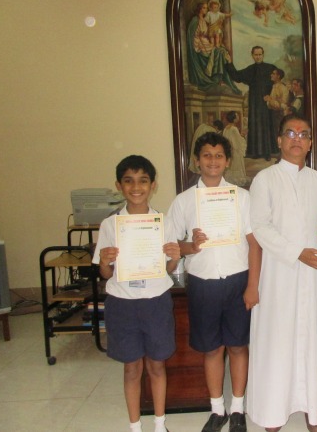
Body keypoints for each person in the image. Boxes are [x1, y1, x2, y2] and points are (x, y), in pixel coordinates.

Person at [247, 113, 317, 432]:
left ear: (310, 142)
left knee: (316, 338)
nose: (297, 139)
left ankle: (313, 406)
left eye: (304, 134)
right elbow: (259, 226)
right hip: (279, 274)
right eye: (290, 133)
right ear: (279, 140)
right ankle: (273, 411)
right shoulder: (264, 180)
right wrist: (297, 253)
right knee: (278, 342)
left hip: (316, 276)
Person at [168, 132, 261, 432]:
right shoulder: (183, 201)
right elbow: (171, 245)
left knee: (238, 346)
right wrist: (191, 245)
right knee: (211, 349)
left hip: (238, 281)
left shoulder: (242, 197)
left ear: (228, 161)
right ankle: (217, 409)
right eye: (206, 155)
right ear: (197, 161)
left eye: (219, 155)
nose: (213, 161)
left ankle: (238, 409)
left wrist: (252, 285)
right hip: (202, 283)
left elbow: (254, 244)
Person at [93, 155, 180, 432]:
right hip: (122, 304)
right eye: (129, 181)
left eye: (143, 181)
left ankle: (159, 424)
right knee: (131, 368)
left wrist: (175, 257)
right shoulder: (110, 225)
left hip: (156, 301)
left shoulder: (163, 222)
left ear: (153, 185)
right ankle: (135, 426)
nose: (136, 187)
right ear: (119, 186)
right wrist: (104, 261)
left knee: (157, 365)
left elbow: (168, 269)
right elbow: (105, 274)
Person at [226, 46, 277, 160]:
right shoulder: (250, 69)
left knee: (266, 125)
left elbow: (278, 82)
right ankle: (256, 152)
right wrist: (229, 63)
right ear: (252, 56)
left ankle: (267, 153)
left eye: (260, 54)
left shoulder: (271, 68)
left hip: (267, 101)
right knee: (255, 124)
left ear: (263, 55)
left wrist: (272, 97)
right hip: (254, 102)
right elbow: (237, 76)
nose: (258, 57)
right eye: (256, 55)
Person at [186, 2, 240, 94]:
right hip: (199, 44)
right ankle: (216, 79)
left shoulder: (204, 20)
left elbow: (210, 31)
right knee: (218, 52)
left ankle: (221, 79)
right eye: (204, 8)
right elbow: (193, 36)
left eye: (206, 8)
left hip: (206, 42)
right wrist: (200, 42)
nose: (206, 10)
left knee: (222, 51)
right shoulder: (195, 20)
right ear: (199, 9)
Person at [223, 111, 250, 187]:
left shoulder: (226, 128)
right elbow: (238, 142)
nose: (238, 117)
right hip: (235, 151)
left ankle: (230, 180)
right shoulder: (234, 129)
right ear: (234, 119)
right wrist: (243, 135)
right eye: (237, 116)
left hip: (229, 150)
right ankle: (237, 180)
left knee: (231, 166)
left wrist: (240, 135)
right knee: (236, 165)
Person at [264, 68, 290, 145]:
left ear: (278, 76)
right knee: (273, 135)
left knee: (279, 133)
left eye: (273, 74)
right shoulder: (274, 86)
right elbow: (272, 104)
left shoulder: (283, 88)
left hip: (279, 115)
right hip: (272, 114)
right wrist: (269, 101)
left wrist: (270, 100)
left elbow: (283, 105)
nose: (271, 75)